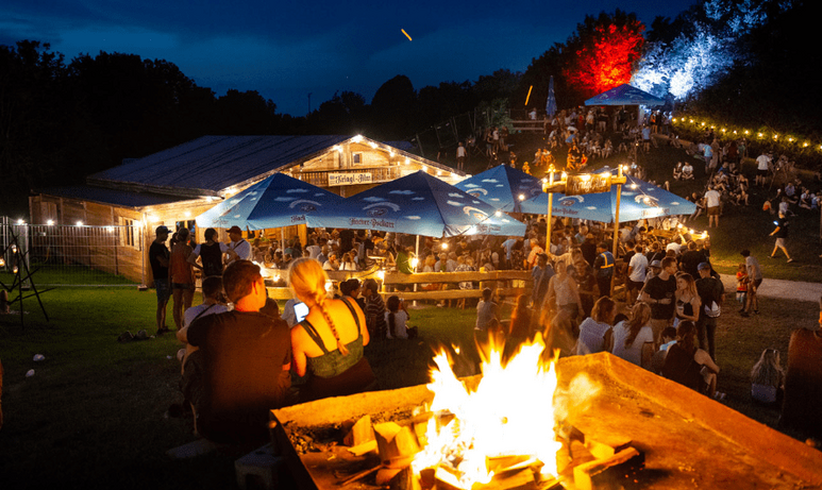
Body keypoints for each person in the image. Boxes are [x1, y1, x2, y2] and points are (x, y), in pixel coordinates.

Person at [180, 260, 292, 444]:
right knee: (282, 372)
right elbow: (285, 373)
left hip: (217, 427)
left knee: (191, 351)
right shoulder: (280, 327)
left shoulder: (211, 325)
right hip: (264, 422)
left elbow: (181, 335)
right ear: (255, 286)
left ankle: (195, 418)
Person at [289, 258, 376, 402]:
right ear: (323, 280)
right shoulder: (351, 303)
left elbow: (300, 371)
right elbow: (365, 340)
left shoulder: (299, 333)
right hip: (366, 385)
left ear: (296, 290)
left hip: (327, 398)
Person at [176, 276, 228, 373]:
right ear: (219, 293)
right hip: (216, 356)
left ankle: (186, 368)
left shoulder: (189, 312)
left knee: (181, 352)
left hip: (195, 356)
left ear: (203, 292)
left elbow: (186, 338)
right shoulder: (224, 311)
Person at [662, 320, 721, 399]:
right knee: (711, 372)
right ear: (694, 335)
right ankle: (710, 399)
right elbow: (716, 370)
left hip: (671, 387)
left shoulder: (671, 348)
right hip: (690, 391)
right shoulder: (699, 354)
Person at [639, 257, 677, 343]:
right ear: (667, 268)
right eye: (674, 267)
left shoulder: (672, 279)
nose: (676, 269)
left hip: (670, 317)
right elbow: (643, 298)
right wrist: (659, 301)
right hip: (657, 317)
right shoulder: (653, 282)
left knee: (668, 341)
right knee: (656, 341)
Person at [611, 302, 654, 369]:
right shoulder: (647, 331)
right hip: (632, 370)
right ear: (648, 317)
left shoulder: (619, 324)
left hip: (614, 366)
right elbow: (646, 360)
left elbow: (611, 347)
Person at [695, 262, 724, 360]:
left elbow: (696, 298)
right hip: (713, 314)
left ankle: (703, 360)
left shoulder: (697, 283)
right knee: (711, 339)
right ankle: (712, 359)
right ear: (709, 270)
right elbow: (723, 298)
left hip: (701, 315)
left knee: (702, 339)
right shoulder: (718, 283)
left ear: (701, 271)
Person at [169, 228, 195, 331]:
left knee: (177, 305)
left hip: (176, 279)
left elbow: (171, 265)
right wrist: (191, 281)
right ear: (187, 236)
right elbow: (189, 265)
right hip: (186, 279)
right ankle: (186, 327)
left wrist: (169, 279)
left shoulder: (174, 248)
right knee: (187, 306)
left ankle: (179, 327)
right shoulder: (188, 249)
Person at [150, 225, 171, 335]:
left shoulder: (163, 246)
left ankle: (163, 325)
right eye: (166, 234)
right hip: (160, 277)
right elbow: (165, 262)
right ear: (160, 234)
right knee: (161, 302)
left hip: (165, 277)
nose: (167, 236)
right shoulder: (155, 248)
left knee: (164, 302)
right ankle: (159, 327)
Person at [740, 249, 762, 316]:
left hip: (755, 278)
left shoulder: (748, 259)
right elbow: (750, 271)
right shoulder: (752, 258)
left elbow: (753, 268)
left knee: (749, 294)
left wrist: (753, 279)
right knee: (753, 294)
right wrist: (745, 277)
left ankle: (746, 311)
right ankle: (756, 309)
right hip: (758, 278)